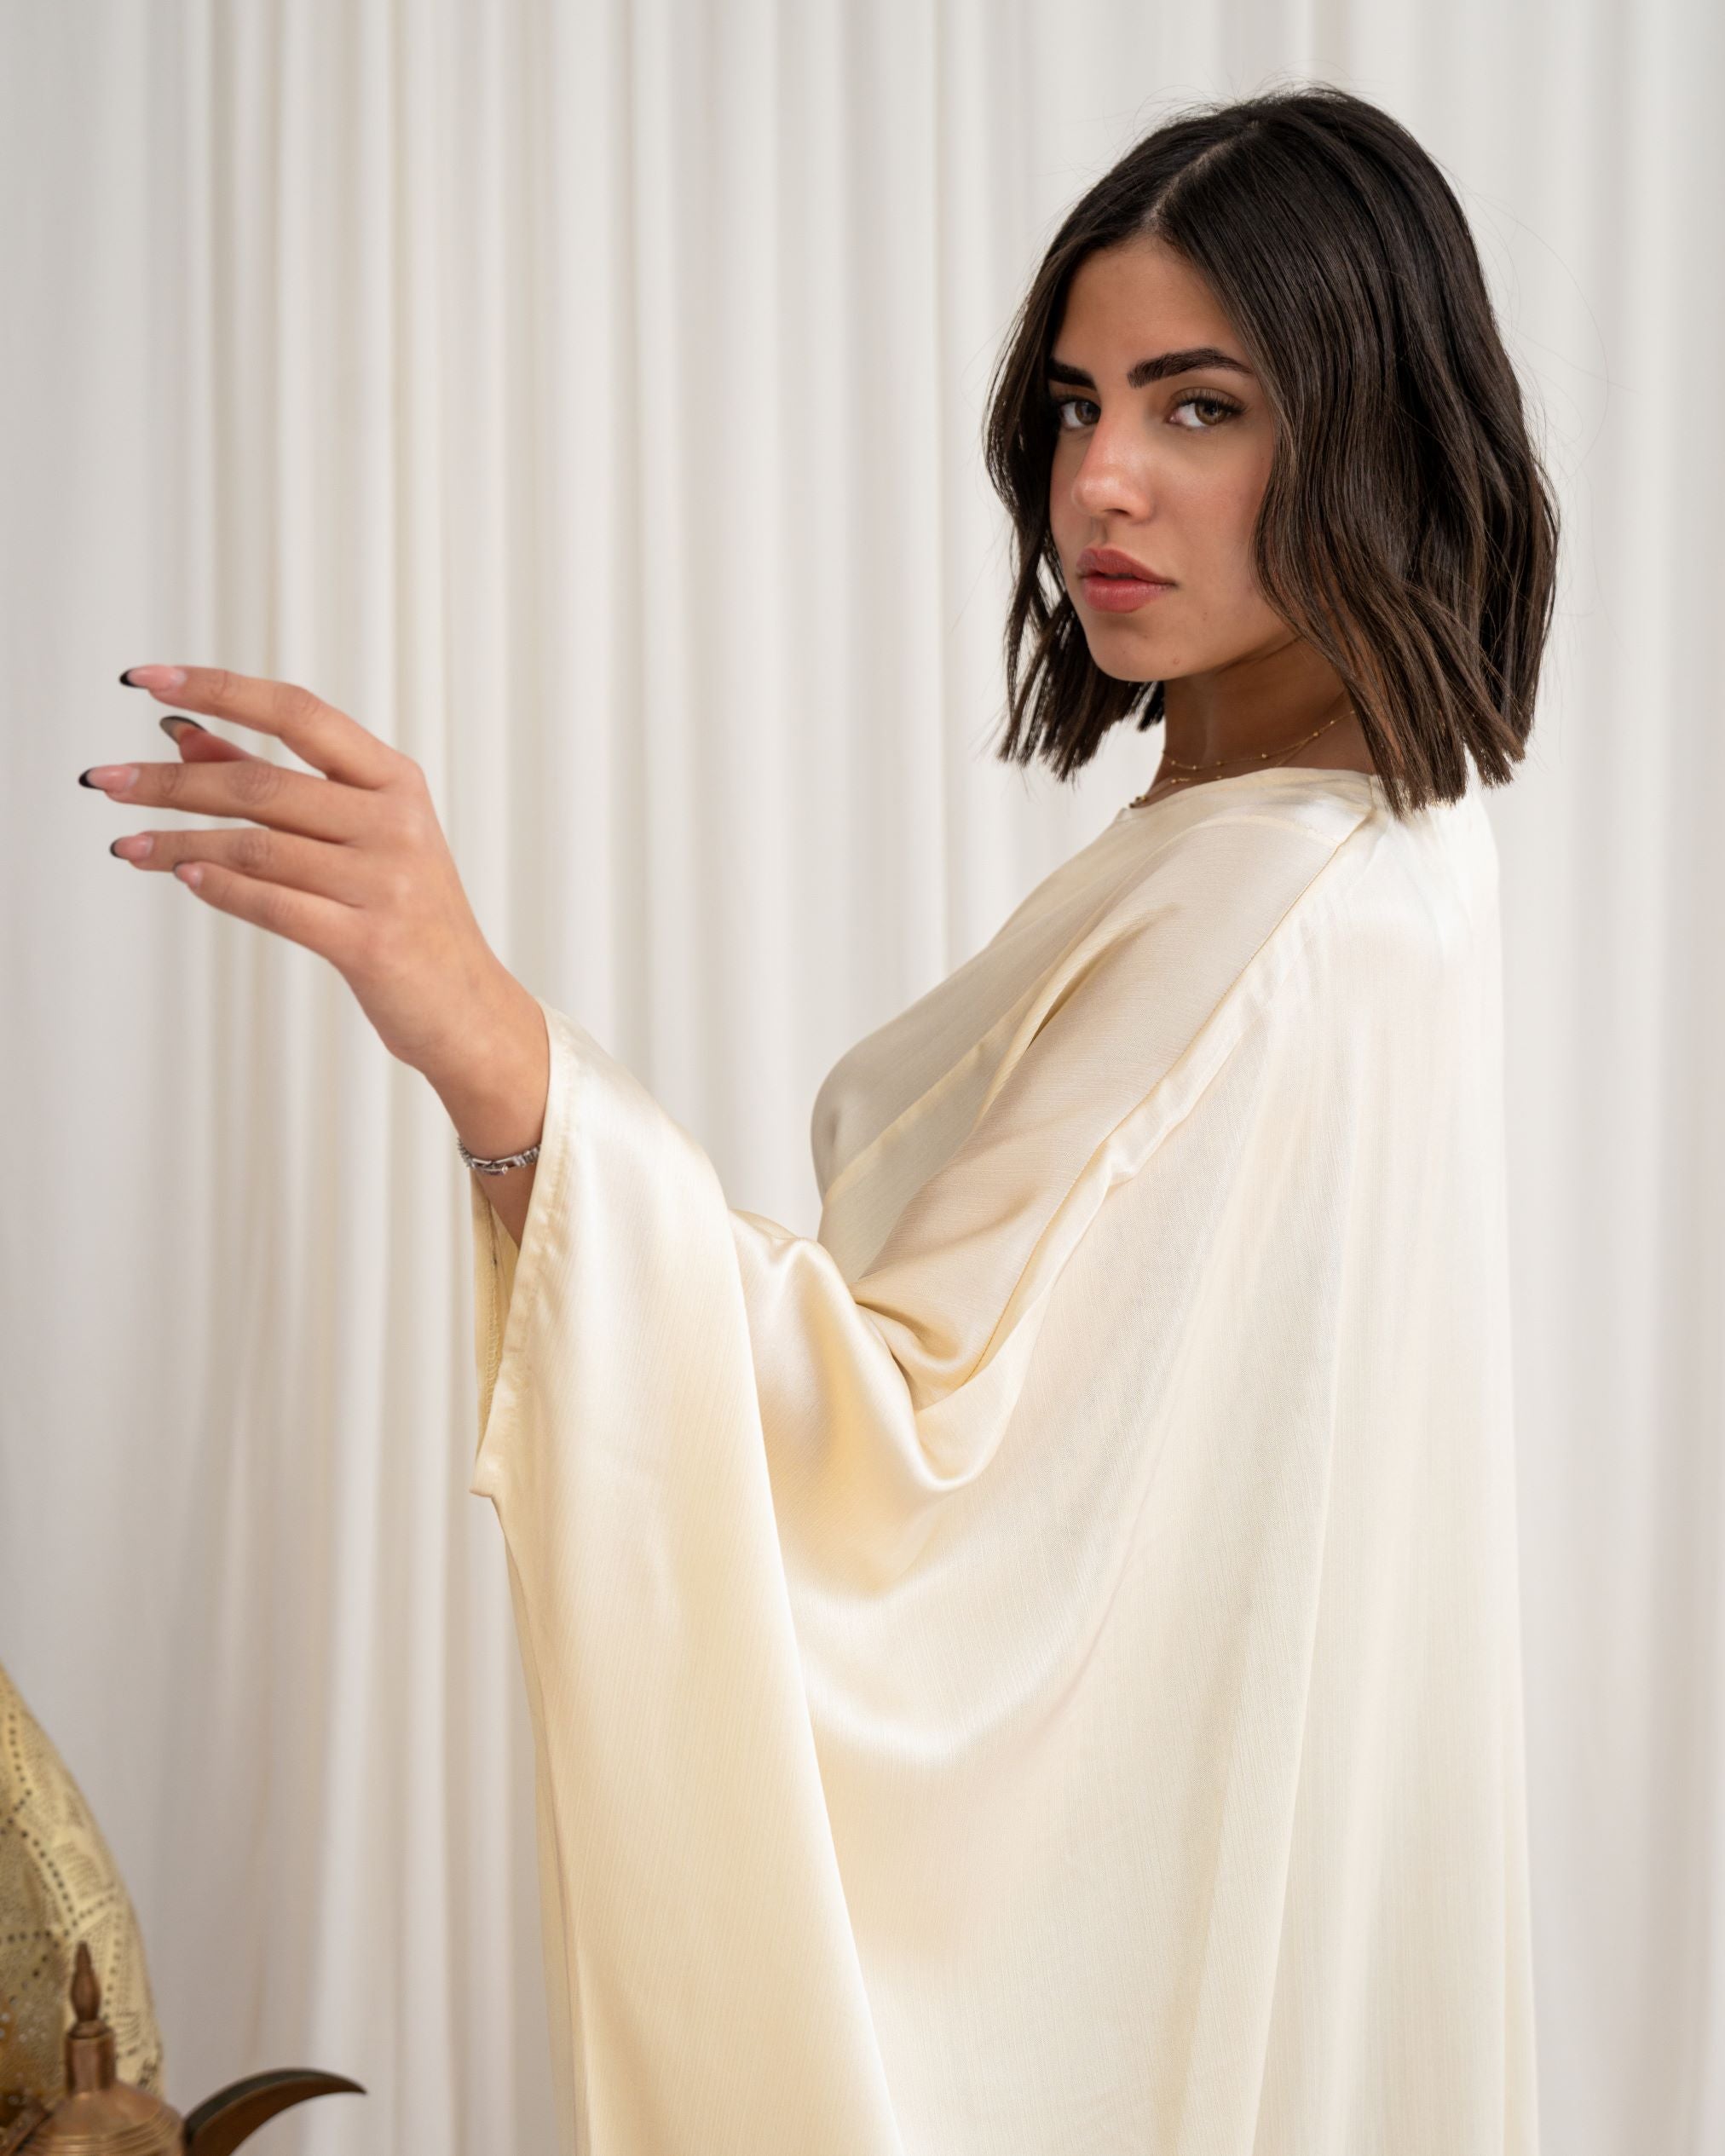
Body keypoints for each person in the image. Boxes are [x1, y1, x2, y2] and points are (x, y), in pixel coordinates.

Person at [91, 78, 1555, 2156]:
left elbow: (911, 1484)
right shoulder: (1357, 850)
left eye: (1202, 406)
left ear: (1375, 426)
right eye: (1075, 404)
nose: (1102, 478)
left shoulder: (1288, 913)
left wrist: (490, 1043)